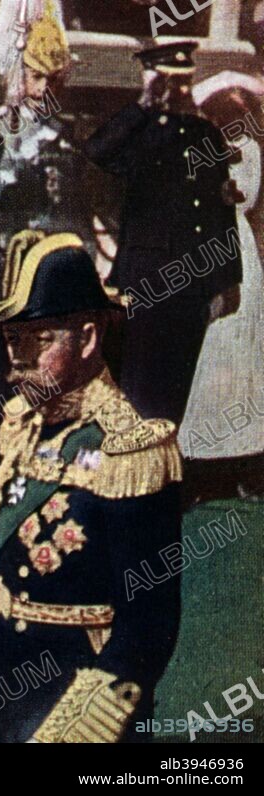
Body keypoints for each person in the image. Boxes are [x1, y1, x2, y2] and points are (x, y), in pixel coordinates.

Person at [0, 230, 183, 742]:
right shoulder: (20, 428)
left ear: (86, 337)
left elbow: (147, 628)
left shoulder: (132, 451)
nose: (17, 360)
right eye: (12, 340)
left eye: (38, 339)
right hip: (4, 682)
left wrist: (77, 730)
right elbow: (3, 554)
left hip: (84, 699)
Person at [0, 0, 97, 461]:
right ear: (20, 76)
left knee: (53, 369)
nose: (43, 89)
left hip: (52, 276)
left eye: (54, 80)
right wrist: (3, 175)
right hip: (1, 270)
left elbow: (81, 220)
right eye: (35, 76)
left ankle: (43, 461)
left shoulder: (74, 141)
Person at [85, 41, 242, 425]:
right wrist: (143, 103)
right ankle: (137, 470)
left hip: (194, 283)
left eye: (183, 82)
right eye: (170, 82)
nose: (178, 91)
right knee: (141, 384)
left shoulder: (205, 133)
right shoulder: (138, 130)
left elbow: (218, 208)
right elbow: (97, 151)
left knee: (181, 386)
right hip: (149, 280)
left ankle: (171, 470)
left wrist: (227, 279)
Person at [179, 72, 264, 502]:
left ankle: (239, 460)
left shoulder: (246, 151)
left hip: (236, 253)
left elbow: (240, 196)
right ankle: (198, 462)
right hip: (207, 246)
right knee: (207, 358)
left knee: (235, 355)